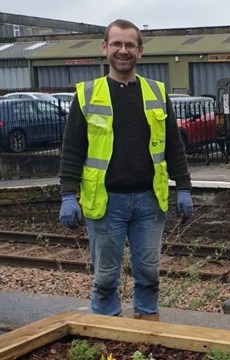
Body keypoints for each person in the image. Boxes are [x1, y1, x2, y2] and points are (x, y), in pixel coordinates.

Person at [58, 19, 193, 322]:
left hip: (149, 201)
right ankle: (108, 340)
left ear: (140, 51)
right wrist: (68, 194)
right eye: (116, 44)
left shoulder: (156, 93)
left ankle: (146, 338)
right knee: (105, 280)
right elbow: (71, 151)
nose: (123, 50)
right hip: (106, 203)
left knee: (148, 276)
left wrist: (183, 186)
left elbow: (174, 146)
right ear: (104, 47)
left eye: (130, 45)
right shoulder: (87, 95)